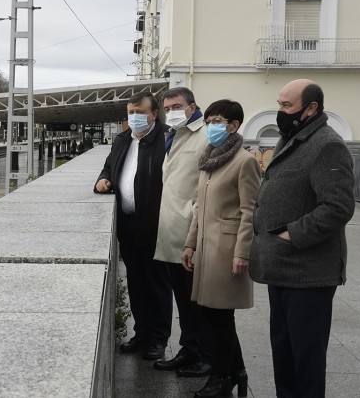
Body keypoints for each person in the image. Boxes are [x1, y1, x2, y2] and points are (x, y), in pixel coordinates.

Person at [249, 79, 355, 398]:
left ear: (311, 108)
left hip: (308, 273)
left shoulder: (327, 145)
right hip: (283, 268)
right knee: (285, 356)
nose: (279, 112)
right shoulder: (293, 137)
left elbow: (338, 207)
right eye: (278, 104)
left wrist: (290, 234)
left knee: (305, 362)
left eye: (286, 106)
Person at [182, 99, 260, 397]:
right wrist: (190, 243)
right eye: (209, 120)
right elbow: (200, 206)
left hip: (226, 250)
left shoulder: (245, 161)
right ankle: (236, 371)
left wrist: (242, 252)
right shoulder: (209, 159)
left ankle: (220, 379)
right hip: (205, 248)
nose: (211, 126)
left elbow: (249, 211)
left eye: (217, 121)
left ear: (234, 125)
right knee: (212, 316)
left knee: (221, 318)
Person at [94, 91, 170, 360]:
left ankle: (159, 339)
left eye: (140, 112)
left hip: (155, 226)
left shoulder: (166, 139)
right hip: (128, 227)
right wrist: (103, 181)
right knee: (136, 284)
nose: (134, 117)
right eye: (131, 112)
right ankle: (142, 333)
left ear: (153, 114)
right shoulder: (123, 139)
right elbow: (108, 167)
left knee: (157, 286)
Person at [152, 88, 215, 378]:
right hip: (171, 233)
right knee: (182, 298)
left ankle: (206, 355)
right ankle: (189, 348)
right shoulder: (175, 134)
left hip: (191, 234)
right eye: (167, 107)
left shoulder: (206, 136)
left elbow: (211, 186)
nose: (171, 111)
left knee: (198, 301)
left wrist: (193, 218)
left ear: (193, 107)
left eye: (177, 106)